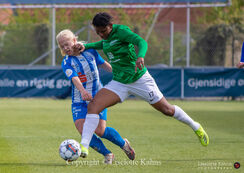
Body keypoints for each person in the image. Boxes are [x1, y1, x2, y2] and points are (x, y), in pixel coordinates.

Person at [74, 12, 210, 158]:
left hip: (139, 79)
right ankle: (84, 146)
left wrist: (141, 56)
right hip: (119, 82)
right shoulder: (106, 38)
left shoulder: (122, 32)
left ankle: (196, 126)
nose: (101, 34)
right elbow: (103, 44)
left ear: (111, 26)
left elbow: (142, 42)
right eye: (98, 32)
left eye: (103, 31)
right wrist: (86, 46)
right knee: (93, 107)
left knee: (167, 110)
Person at [56, 29, 135, 164]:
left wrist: (120, 73)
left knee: (100, 130)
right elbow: (75, 78)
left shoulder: (90, 51)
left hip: (98, 97)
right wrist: (82, 91)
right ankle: (107, 154)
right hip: (79, 101)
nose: (65, 48)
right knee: (83, 130)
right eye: (62, 46)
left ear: (74, 40)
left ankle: (123, 144)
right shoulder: (67, 62)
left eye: (67, 44)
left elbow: (104, 64)